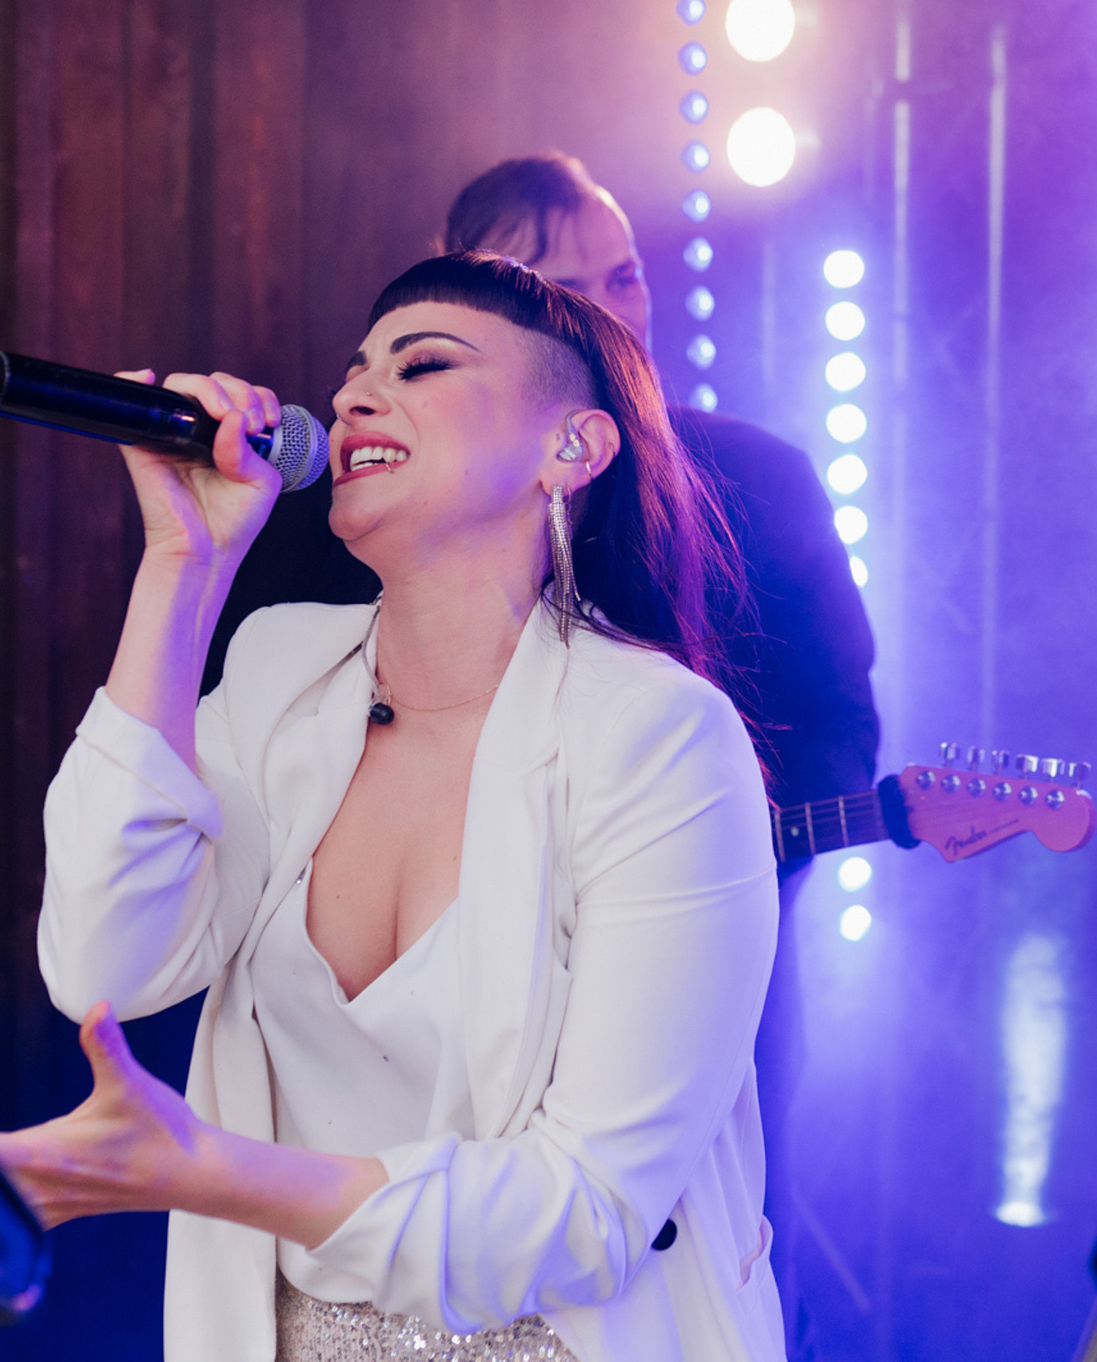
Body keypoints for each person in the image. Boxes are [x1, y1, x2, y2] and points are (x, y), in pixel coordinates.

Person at [0, 254, 786, 1362]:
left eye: (423, 364)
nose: (355, 394)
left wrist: (207, 1173)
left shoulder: (657, 738)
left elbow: (587, 1213)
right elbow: (103, 973)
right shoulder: (277, 672)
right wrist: (185, 565)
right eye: (355, 371)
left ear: (573, 447)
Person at [210, 154, 877, 1356]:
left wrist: (673, 860)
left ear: (575, 446)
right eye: (551, 285)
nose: (609, 310)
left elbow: (835, 720)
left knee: (688, 1218)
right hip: (363, 1134)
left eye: (623, 277)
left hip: (673, 928)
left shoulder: (753, 494)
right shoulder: (318, 579)